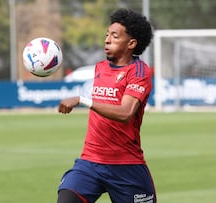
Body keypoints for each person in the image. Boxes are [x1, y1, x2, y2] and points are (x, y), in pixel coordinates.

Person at [57, 9, 156, 203]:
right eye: (107, 35)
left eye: (114, 36)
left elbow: (126, 112)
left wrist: (82, 100)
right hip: (90, 162)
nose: (107, 40)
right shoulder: (100, 67)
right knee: (66, 199)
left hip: (126, 166)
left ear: (131, 43)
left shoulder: (139, 72)